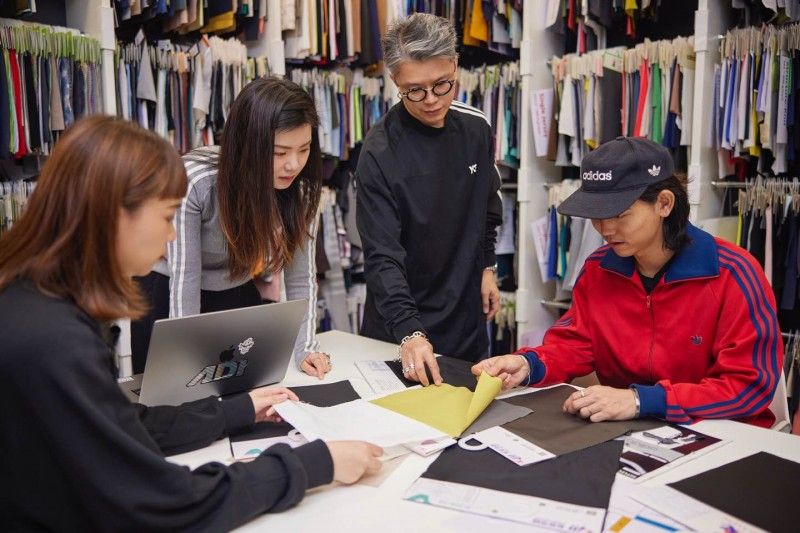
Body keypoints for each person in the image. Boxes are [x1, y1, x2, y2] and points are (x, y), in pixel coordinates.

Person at [0, 116, 382, 530]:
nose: (171, 236)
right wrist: (314, 464)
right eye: (166, 217)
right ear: (115, 215)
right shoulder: (56, 341)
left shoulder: (34, 303)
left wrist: (237, 410)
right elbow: (159, 501)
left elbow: (124, 426)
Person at [473, 137, 782, 428]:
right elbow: (575, 343)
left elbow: (748, 386)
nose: (606, 229)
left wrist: (640, 400)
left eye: (619, 214)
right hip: (630, 431)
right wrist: (529, 364)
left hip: (722, 436)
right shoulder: (598, 269)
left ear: (664, 204)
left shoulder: (733, 274)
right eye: (596, 215)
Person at [131, 76, 332, 379]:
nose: (293, 164)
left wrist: (306, 348)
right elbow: (184, 281)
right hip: (168, 288)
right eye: (279, 153)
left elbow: (302, 279)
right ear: (247, 146)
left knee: (244, 388)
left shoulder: (300, 193)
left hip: (235, 287)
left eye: (303, 149)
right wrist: (184, 364)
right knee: (168, 392)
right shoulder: (196, 182)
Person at [356, 13, 502, 386]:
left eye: (442, 84)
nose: (432, 100)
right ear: (394, 80)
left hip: (464, 322)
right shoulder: (379, 151)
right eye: (415, 90)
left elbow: (487, 207)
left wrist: (487, 268)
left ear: (455, 64)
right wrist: (409, 330)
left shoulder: (475, 128)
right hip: (399, 330)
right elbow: (382, 256)